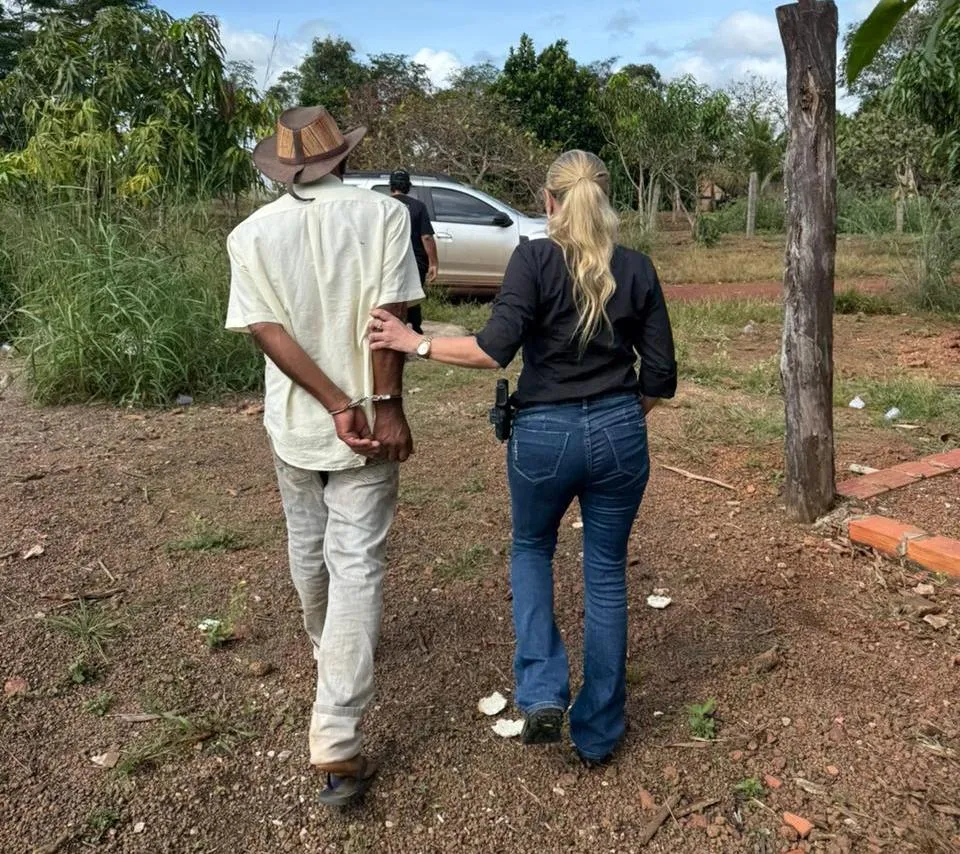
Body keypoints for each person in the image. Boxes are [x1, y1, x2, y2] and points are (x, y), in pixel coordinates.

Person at [368, 150, 677, 765]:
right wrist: (617, 418)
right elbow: (661, 376)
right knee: (607, 573)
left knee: (532, 548)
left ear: (549, 201)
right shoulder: (638, 268)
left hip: (541, 435)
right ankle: (598, 734)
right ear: (606, 199)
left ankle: (541, 693)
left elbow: (492, 351)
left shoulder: (532, 259)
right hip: (621, 432)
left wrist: (414, 341)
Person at [225, 106, 424, 805]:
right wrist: (376, 404)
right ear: (341, 158)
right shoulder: (383, 219)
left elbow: (264, 328)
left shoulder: (250, 233)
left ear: (285, 171)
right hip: (369, 424)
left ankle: (324, 645)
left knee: (306, 546)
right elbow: (389, 318)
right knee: (357, 563)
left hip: (296, 424)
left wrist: (329, 403)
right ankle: (336, 734)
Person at [389, 168, 437, 334]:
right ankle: (414, 327)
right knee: (413, 294)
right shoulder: (418, 207)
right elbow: (426, 237)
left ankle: (393, 325)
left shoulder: (383, 205)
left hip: (390, 259)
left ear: (391, 186)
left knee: (391, 293)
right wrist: (433, 263)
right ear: (408, 186)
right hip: (416, 260)